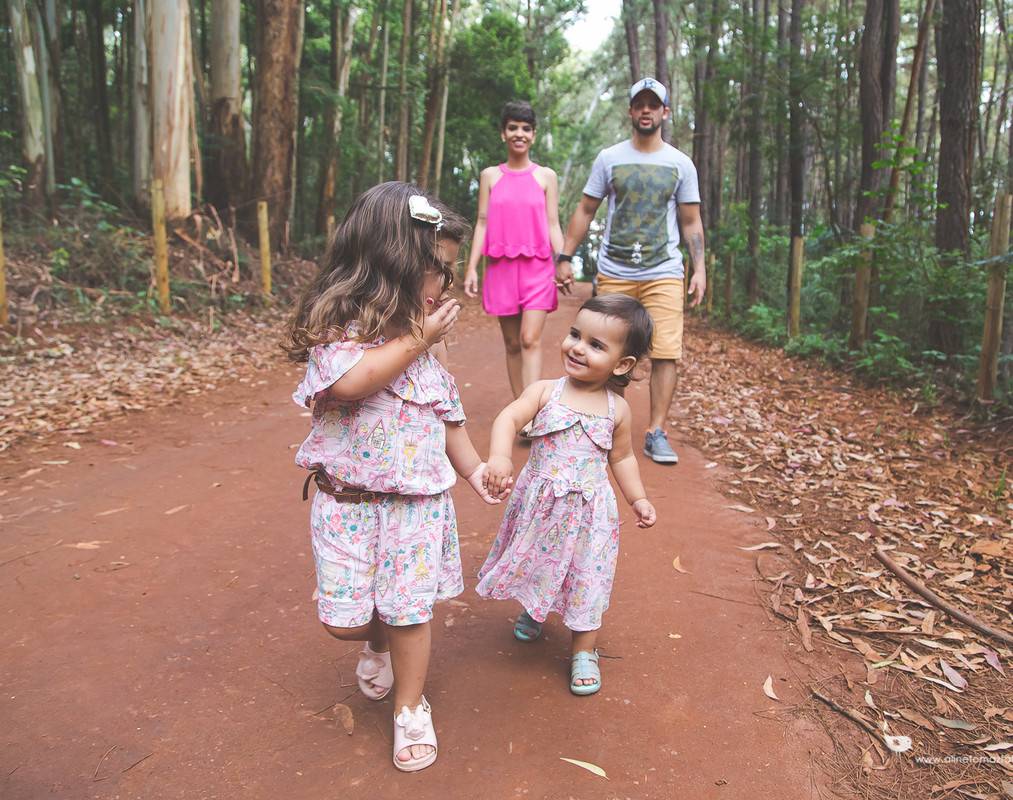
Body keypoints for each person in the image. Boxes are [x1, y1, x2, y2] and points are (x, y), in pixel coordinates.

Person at [283, 182, 502, 773]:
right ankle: (374, 641)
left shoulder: (427, 344)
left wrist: (475, 469)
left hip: (415, 506)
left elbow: (446, 415)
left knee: (409, 610)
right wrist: (418, 338)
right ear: (395, 260)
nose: (445, 287)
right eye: (439, 271)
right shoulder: (339, 325)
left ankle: (410, 708)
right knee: (344, 624)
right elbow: (352, 382)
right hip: (346, 503)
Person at [476, 294, 658, 696]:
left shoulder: (617, 410)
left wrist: (638, 498)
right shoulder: (545, 391)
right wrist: (500, 456)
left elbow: (622, 457)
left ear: (622, 364)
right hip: (542, 509)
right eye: (575, 334)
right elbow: (509, 417)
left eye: (595, 344)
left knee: (587, 576)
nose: (577, 347)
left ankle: (584, 651)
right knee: (539, 561)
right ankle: (535, 608)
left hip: (589, 514)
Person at [556, 77, 706, 466]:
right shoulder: (609, 158)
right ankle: (609, 426)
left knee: (666, 351)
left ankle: (656, 432)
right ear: (631, 111)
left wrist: (700, 269)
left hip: (664, 270)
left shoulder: (680, 163)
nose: (646, 110)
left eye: (653, 105)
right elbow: (586, 209)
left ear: (664, 112)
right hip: (615, 270)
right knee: (609, 348)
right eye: (640, 104)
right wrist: (565, 256)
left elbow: (691, 220)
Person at [464, 100, 567, 415]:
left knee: (529, 338)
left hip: (539, 268)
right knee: (512, 344)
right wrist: (472, 267)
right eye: (512, 128)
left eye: (525, 128)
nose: (519, 134)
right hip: (501, 269)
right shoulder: (490, 175)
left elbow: (553, 223)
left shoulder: (546, 176)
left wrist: (564, 260)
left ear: (533, 135)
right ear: (503, 133)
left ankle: (531, 412)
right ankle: (521, 411)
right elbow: (482, 222)